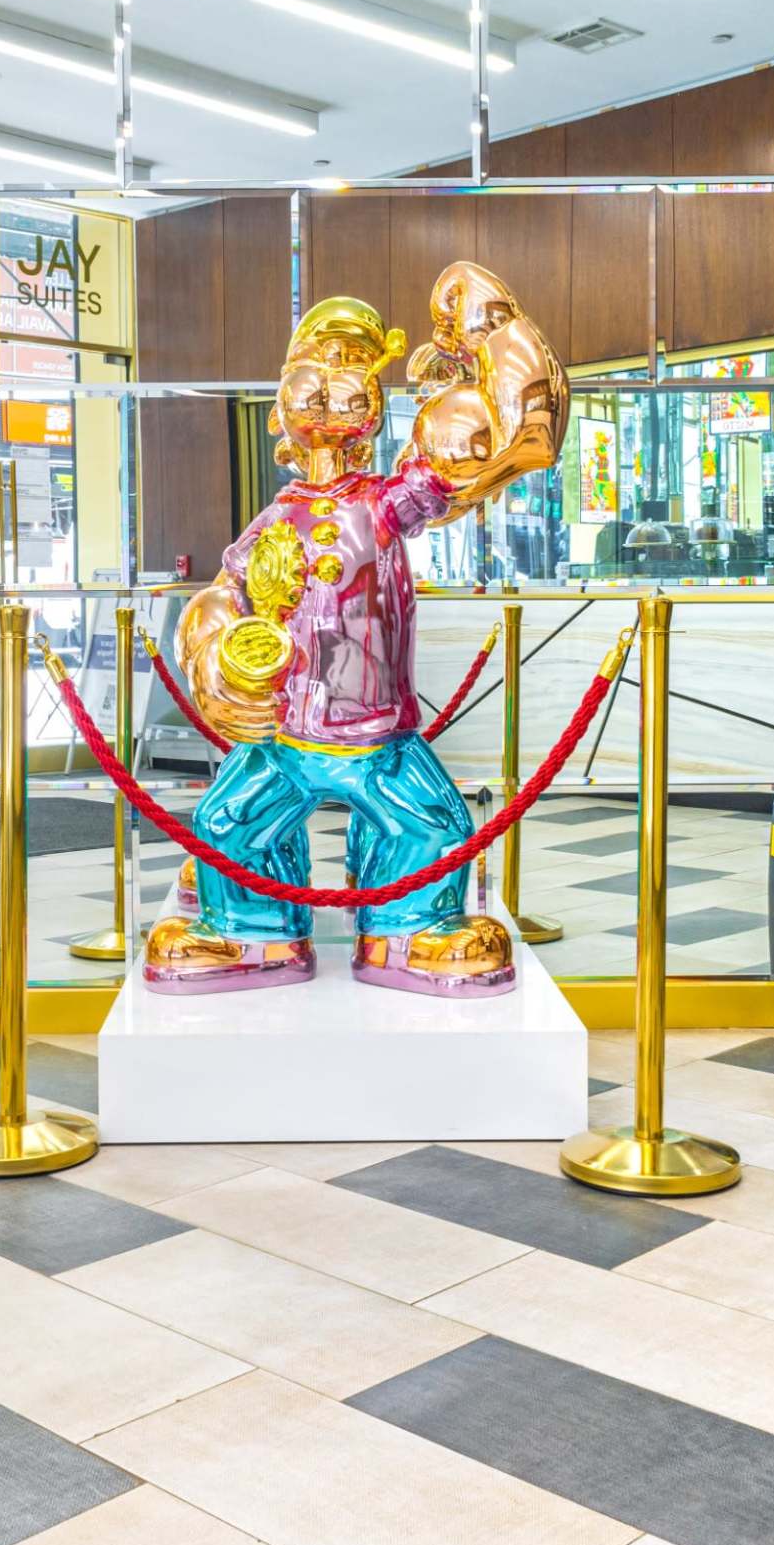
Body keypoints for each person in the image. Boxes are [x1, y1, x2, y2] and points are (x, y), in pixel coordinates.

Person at [140, 262, 565, 997]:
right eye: (316, 362)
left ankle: (407, 925)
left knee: (433, 828)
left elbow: (518, 438)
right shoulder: (275, 519)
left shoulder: (385, 502)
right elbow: (225, 589)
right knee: (227, 821)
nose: (331, 381)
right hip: (285, 735)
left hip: (380, 739)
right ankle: (251, 927)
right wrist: (215, 652)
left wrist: (489, 323)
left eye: (352, 366)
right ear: (278, 408)